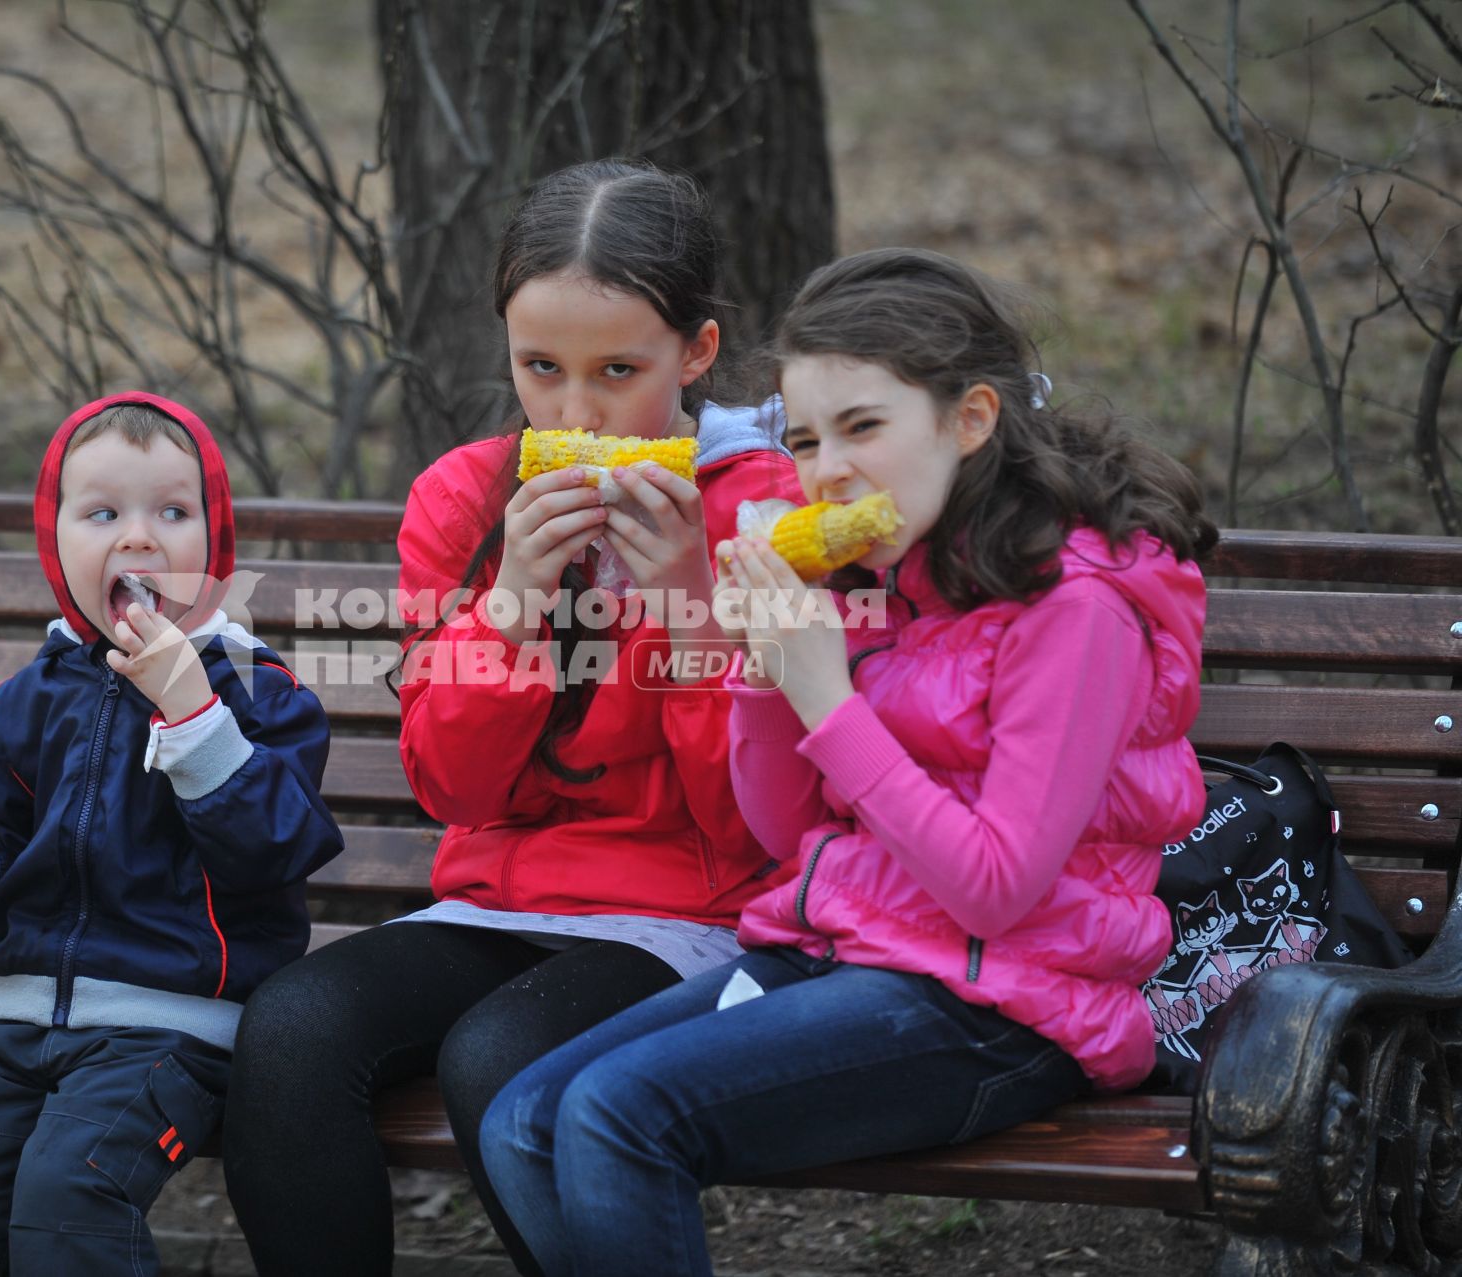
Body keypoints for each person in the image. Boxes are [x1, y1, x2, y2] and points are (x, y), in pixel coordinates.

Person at [477, 247, 1217, 1277]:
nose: (827, 470)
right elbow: (789, 833)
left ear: (971, 418)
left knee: (615, 1114)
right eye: (807, 438)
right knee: (523, 1119)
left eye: (864, 427)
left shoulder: (1079, 610)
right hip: (844, 952)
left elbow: (997, 888)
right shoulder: (890, 572)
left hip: (1006, 1007)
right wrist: (765, 667)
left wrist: (826, 691)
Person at [220, 158, 803, 1275]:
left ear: (698, 352)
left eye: (617, 371)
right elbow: (455, 789)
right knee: (289, 1030)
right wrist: (511, 611)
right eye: (541, 369)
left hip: (701, 910)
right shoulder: (460, 498)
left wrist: (685, 597)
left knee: (501, 1060)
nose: (575, 413)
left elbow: (751, 826)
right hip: (499, 897)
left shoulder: (764, 508)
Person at [0, 392, 345, 1276]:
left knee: (69, 1196)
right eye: (103, 513)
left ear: (214, 545)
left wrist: (194, 713)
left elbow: (276, 854)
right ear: (56, 545)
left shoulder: (260, 693)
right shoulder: (20, 704)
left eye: (172, 513)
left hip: (166, 1025)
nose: (139, 538)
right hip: (5, 1019)